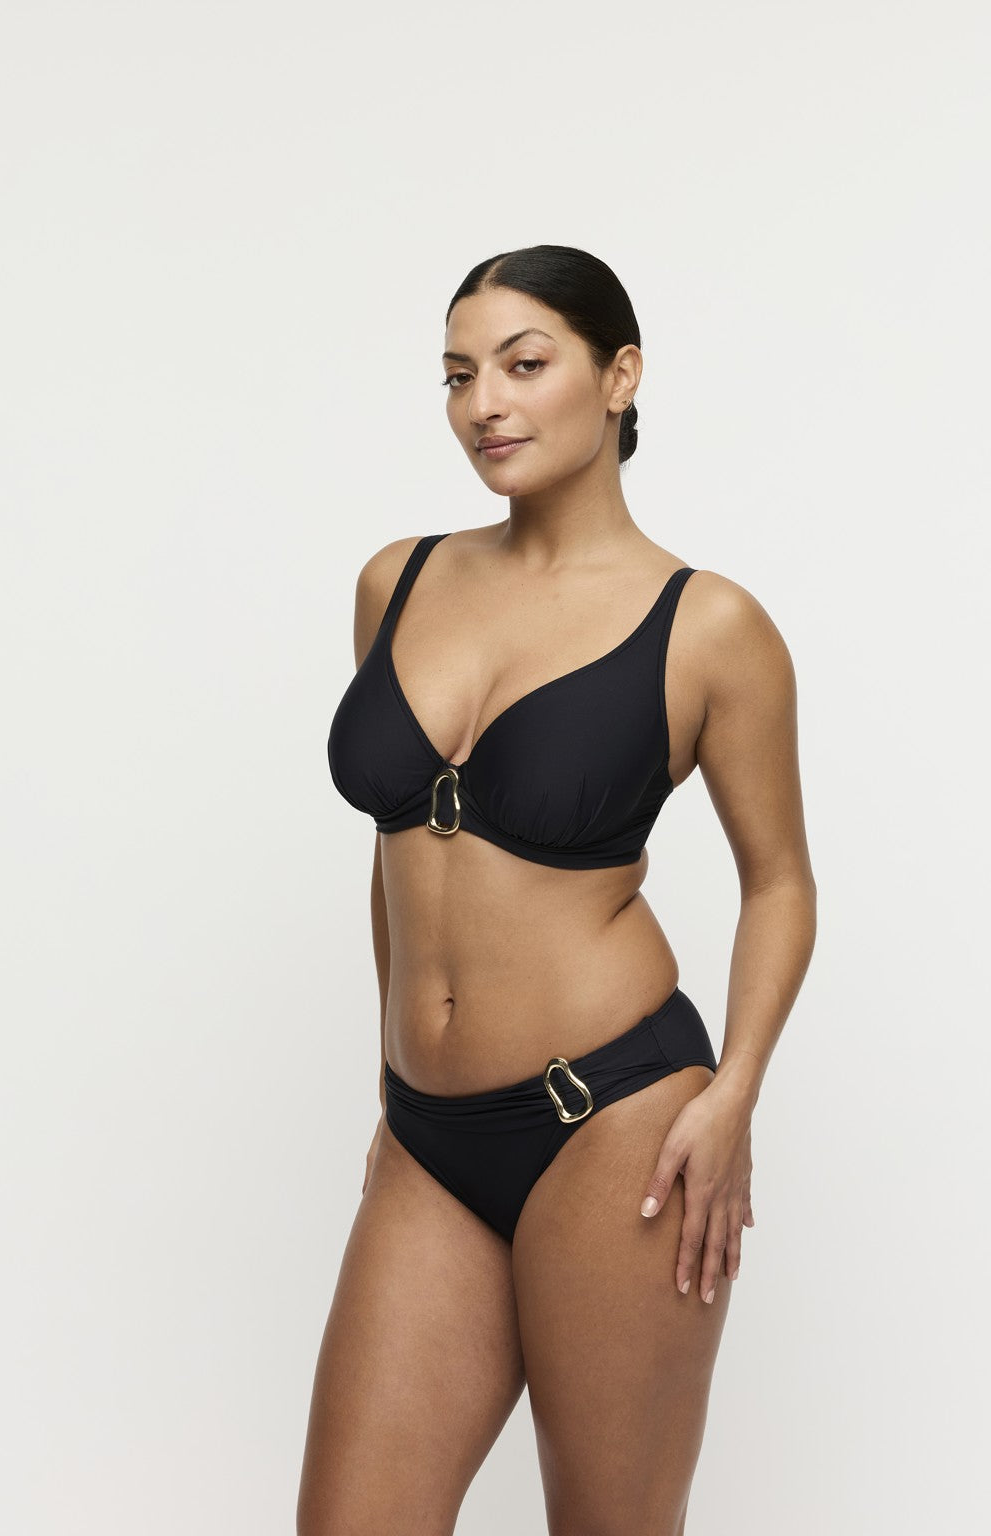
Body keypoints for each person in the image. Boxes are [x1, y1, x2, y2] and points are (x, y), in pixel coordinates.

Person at [297, 244, 817, 1536]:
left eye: (525, 365)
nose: (486, 403)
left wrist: (735, 1095)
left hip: (616, 1122)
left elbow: (779, 882)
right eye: (458, 375)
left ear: (619, 376)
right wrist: (390, 1074)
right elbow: (399, 859)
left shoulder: (708, 625)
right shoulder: (397, 583)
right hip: (428, 1134)